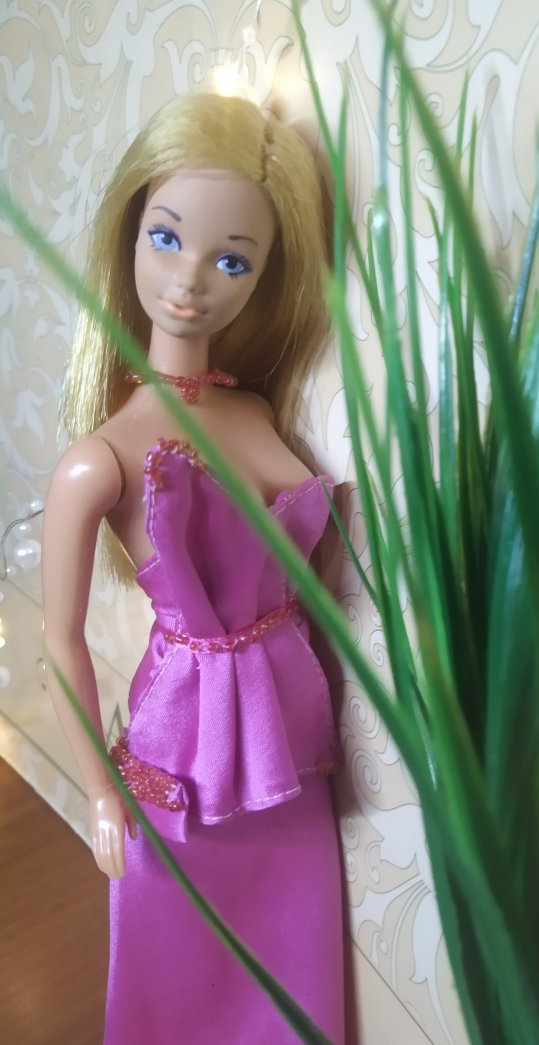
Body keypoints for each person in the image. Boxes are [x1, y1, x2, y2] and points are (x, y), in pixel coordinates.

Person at [41, 92, 344, 1045]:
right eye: (167, 238)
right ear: (130, 231)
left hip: (288, 756)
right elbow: (60, 640)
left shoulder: (254, 409)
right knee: (177, 994)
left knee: (295, 986)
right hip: (182, 766)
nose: (189, 282)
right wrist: (99, 791)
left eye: (232, 260)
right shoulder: (100, 459)